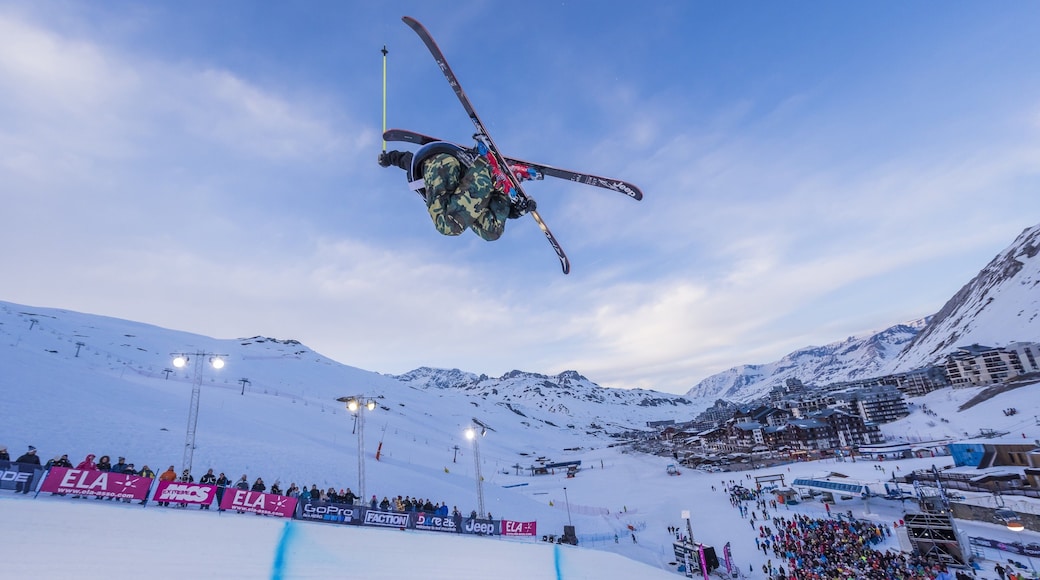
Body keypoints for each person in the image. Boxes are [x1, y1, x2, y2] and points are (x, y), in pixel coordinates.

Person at [378, 142, 535, 241]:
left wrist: (389, 158)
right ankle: (502, 184)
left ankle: (487, 169)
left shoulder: (423, 178)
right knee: (491, 231)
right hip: (469, 178)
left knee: (448, 224)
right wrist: (515, 211)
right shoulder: (452, 205)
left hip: (441, 164)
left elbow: (407, 159)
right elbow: (470, 207)